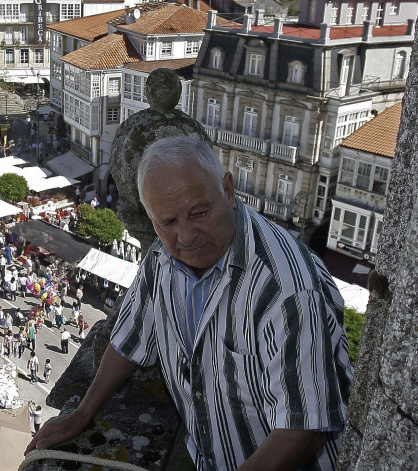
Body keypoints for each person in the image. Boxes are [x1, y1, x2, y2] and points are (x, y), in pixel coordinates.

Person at [26, 135, 353, 471]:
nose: (185, 236)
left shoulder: (288, 289)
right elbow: (131, 339)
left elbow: (306, 427)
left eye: (199, 213)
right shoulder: (161, 256)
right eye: (167, 222)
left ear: (227, 190)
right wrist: (82, 413)